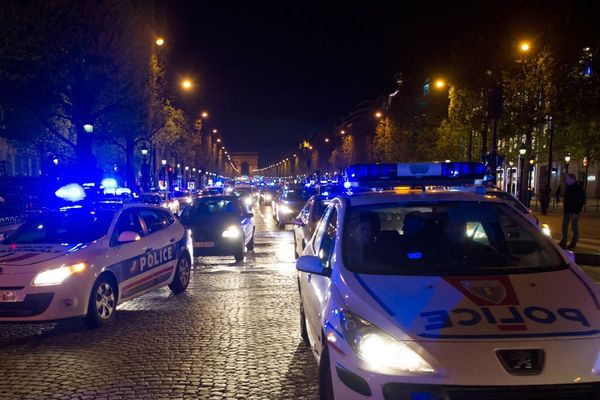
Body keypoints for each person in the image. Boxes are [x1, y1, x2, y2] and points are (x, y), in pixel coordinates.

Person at [559, 174, 586, 250]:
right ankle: (564, 241)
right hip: (567, 210)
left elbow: (581, 201)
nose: (566, 180)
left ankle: (573, 243)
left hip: (573, 211)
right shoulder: (569, 187)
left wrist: (576, 212)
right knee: (564, 226)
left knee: (574, 228)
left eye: (567, 178)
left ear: (571, 179)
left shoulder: (578, 188)